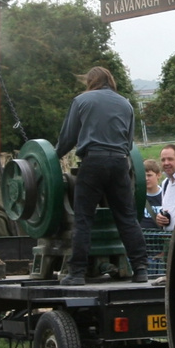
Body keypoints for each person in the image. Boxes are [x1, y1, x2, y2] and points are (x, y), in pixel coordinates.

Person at [54, 66, 150, 286]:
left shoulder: (81, 101)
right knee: (127, 217)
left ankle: (77, 273)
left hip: (93, 162)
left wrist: (54, 157)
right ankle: (141, 269)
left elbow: (68, 137)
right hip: (119, 164)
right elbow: (128, 142)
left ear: (91, 81)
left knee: (83, 218)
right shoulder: (125, 104)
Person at [142, 158, 164, 229]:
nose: (146, 178)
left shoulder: (166, 194)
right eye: (144, 175)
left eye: (149, 175)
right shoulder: (138, 196)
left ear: (158, 175)